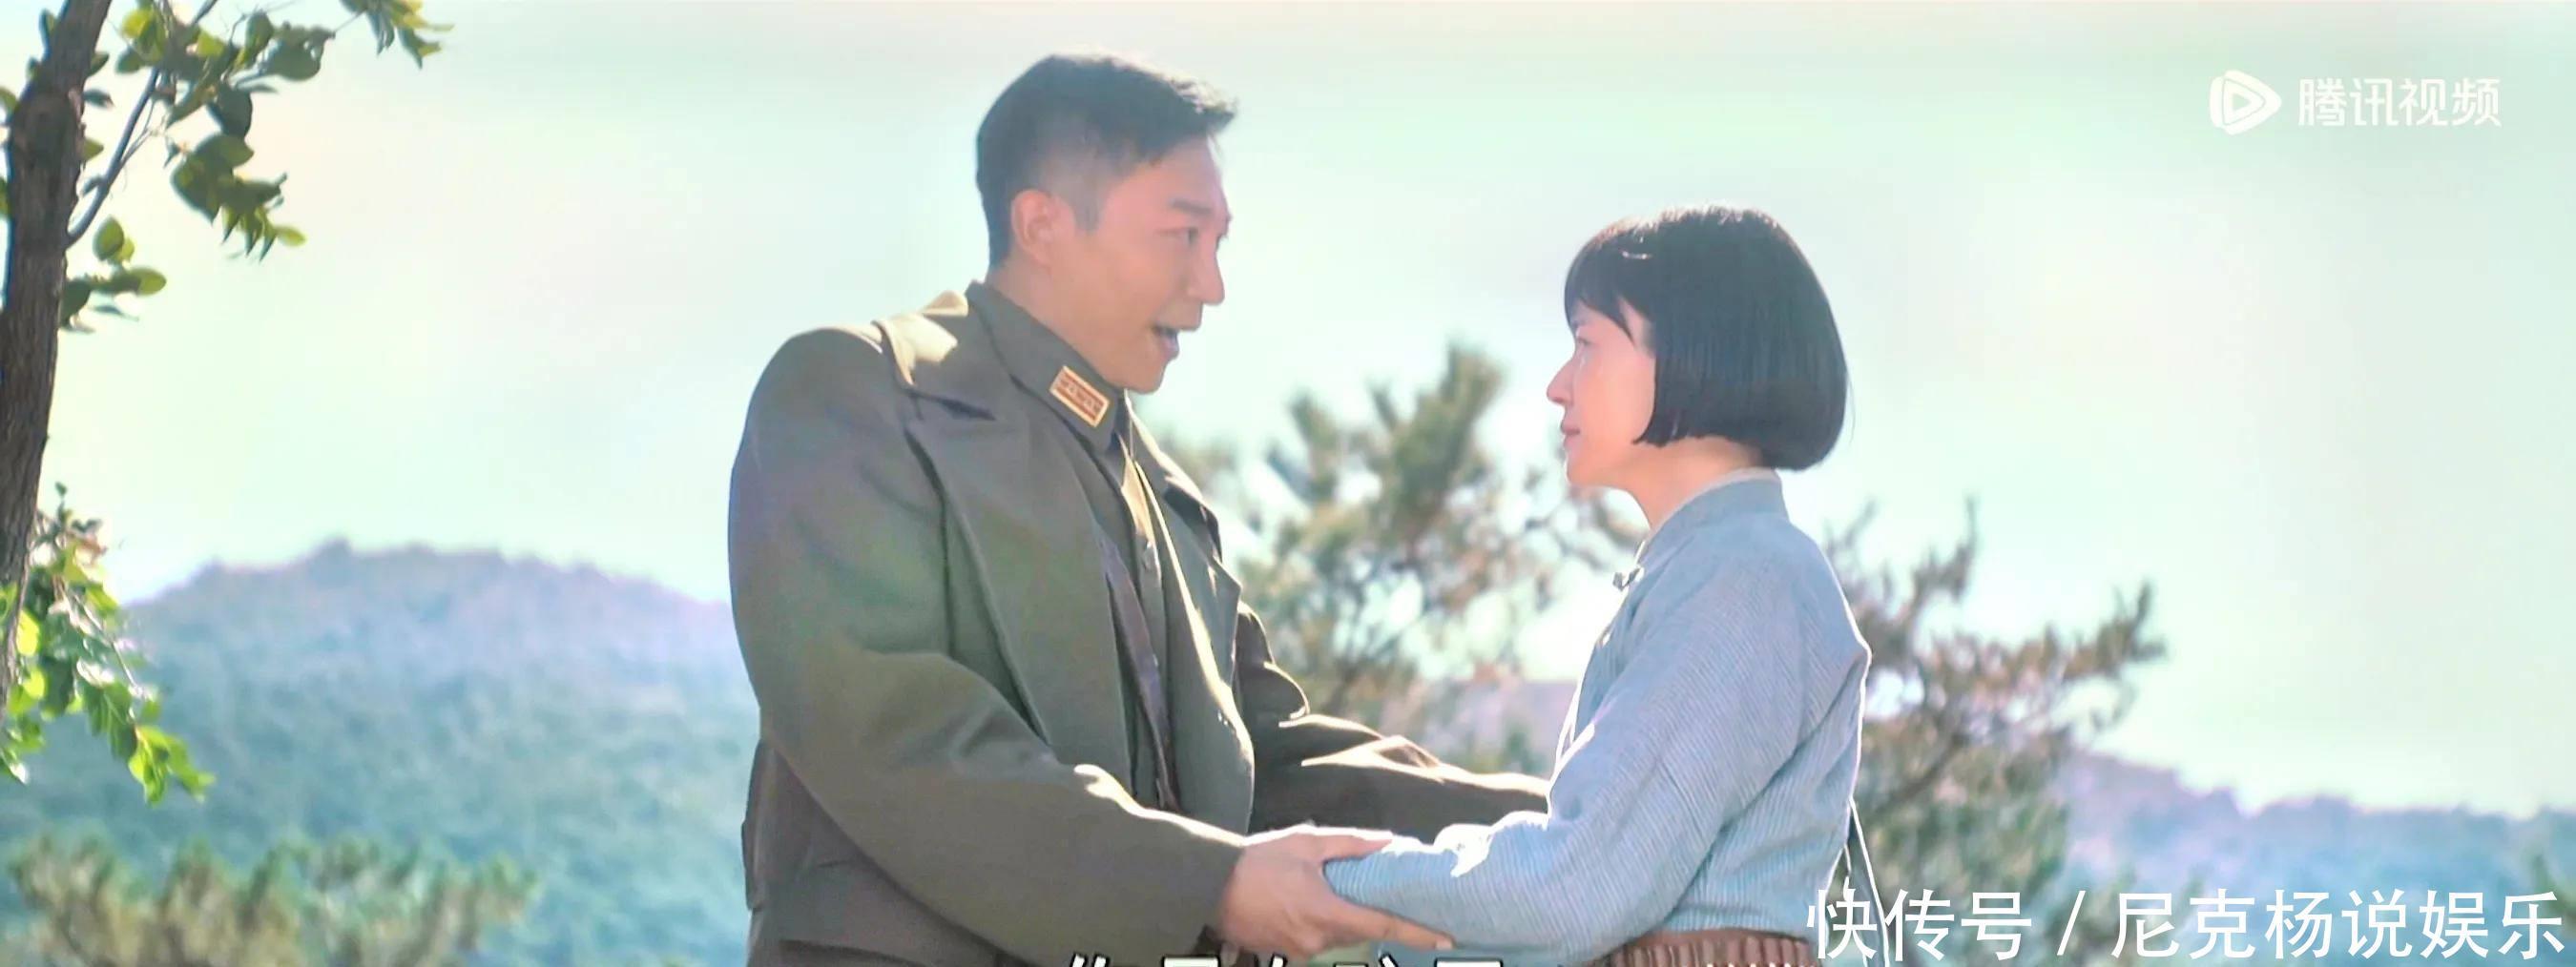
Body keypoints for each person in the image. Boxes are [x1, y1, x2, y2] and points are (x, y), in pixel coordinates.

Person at [725, 52, 1548, 967]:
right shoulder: (858, 392)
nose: (1212, 284)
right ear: (1042, 224)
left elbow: (1271, 765)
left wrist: (1574, 832)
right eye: (1181, 235)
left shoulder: (1162, 495)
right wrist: (1207, 884)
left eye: (1218, 242)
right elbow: (888, 729)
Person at [1322, 204, 1871, 967]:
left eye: (1586, 344)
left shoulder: (1744, 578)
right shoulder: (1717, 566)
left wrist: (1330, 883)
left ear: (1693, 351)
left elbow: (1578, 886)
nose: (1558, 385)